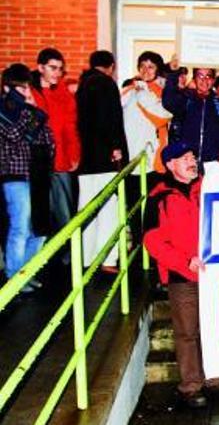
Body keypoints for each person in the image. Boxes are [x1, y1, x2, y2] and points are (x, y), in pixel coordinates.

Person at [143, 142, 219, 408]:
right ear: (171, 164)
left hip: (212, 274)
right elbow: (152, 240)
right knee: (188, 331)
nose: (192, 161)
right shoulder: (158, 197)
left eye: (193, 156)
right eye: (185, 158)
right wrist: (185, 262)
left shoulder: (207, 187)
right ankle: (191, 385)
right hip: (181, 276)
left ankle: (215, 379)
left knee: (213, 328)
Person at [1, 64, 54, 293]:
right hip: (14, 175)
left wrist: (36, 114)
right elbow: (13, 134)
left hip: (37, 174)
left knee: (38, 228)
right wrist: (30, 113)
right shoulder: (5, 109)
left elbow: (45, 138)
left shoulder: (30, 112)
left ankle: (26, 272)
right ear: (7, 88)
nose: (25, 93)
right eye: (20, 89)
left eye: (27, 88)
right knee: (20, 226)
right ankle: (14, 277)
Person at [76, 50, 129, 273]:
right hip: (105, 158)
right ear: (111, 66)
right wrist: (116, 147)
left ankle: (85, 258)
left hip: (85, 158)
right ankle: (107, 259)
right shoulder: (106, 85)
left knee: (87, 209)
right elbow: (111, 119)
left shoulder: (82, 85)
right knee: (108, 209)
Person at [31, 48, 80, 242]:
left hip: (61, 161)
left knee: (65, 215)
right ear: (40, 67)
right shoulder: (29, 92)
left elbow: (70, 127)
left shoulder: (63, 94)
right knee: (37, 217)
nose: (57, 73)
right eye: (53, 68)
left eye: (60, 69)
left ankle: (67, 261)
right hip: (36, 163)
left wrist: (74, 154)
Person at [162, 67, 219, 165]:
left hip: (213, 163)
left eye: (208, 76)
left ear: (213, 80)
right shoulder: (185, 99)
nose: (204, 80)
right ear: (194, 79)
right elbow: (168, 101)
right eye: (200, 76)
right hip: (186, 162)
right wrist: (174, 71)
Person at [121, 51, 172, 174]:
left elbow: (162, 118)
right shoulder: (130, 89)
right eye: (142, 66)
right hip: (128, 152)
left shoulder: (163, 92)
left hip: (150, 154)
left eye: (150, 67)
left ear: (157, 70)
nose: (145, 70)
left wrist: (143, 92)